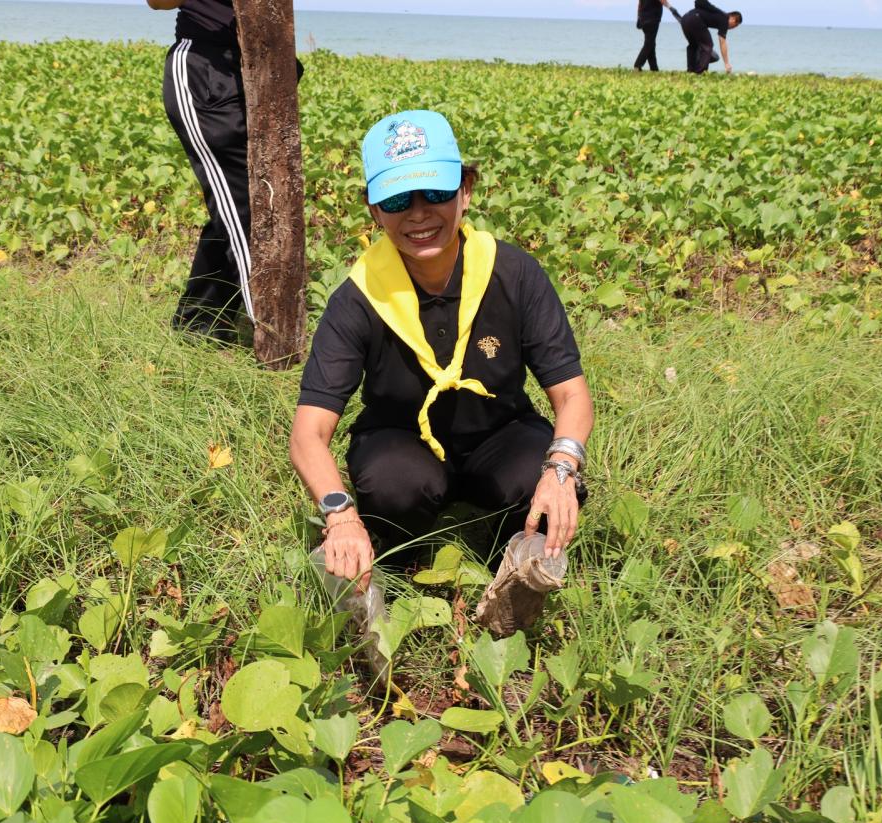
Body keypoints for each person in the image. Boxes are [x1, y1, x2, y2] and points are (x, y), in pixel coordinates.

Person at [289, 110, 594, 593]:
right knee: (393, 484)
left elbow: (572, 395)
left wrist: (561, 469)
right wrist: (340, 515)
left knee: (535, 474)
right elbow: (308, 433)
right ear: (373, 210)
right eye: (396, 198)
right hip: (401, 439)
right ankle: (396, 559)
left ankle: (512, 560)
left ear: (465, 190)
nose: (418, 213)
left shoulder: (514, 273)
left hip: (500, 431)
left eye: (435, 192)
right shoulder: (358, 296)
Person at [147, 0, 252, 343]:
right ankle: (271, 330)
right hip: (203, 70)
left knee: (249, 202)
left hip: (254, 69)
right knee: (242, 209)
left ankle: (200, 325)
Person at [679, 0, 742, 74]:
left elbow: (698, 3)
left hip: (685, 19)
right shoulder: (725, 18)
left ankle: (691, 71)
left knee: (693, 45)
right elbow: (722, 42)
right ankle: (700, 72)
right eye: (735, 25)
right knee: (708, 45)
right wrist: (726, 63)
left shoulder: (718, 14)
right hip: (695, 19)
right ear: (733, 19)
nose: (733, 28)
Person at [635, 0, 671, 72]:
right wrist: (670, 7)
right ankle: (637, 65)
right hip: (652, 19)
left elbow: (639, 4)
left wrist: (638, 17)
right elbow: (662, 0)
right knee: (649, 43)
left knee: (651, 43)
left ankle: (654, 68)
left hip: (643, 18)